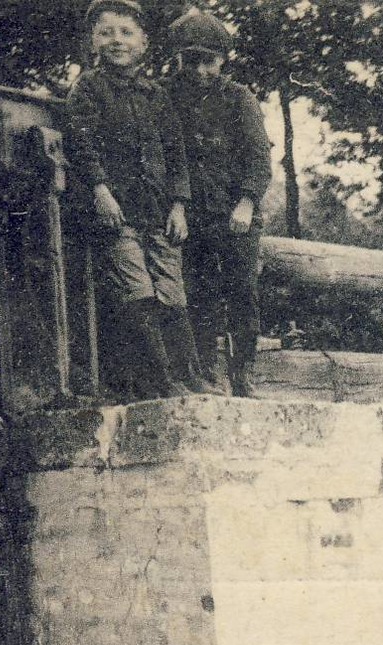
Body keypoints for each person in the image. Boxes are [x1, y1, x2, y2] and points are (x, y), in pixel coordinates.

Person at [65, 0, 201, 400]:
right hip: (117, 211)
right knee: (137, 289)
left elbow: (175, 153)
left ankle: (188, 376)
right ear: (93, 40)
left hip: (158, 210)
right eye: (106, 32)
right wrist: (99, 189)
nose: (116, 41)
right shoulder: (88, 88)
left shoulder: (155, 94)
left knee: (171, 290)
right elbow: (81, 141)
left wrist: (179, 205)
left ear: (143, 43)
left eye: (125, 33)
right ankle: (159, 383)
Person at [166, 7, 271, 397]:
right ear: (177, 59)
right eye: (189, 60)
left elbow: (259, 156)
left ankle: (243, 373)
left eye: (207, 62)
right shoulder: (168, 97)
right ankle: (209, 372)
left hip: (235, 215)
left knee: (242, 292)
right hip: (192, 215)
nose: (198, 71)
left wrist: (246, 201)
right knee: (201, 293)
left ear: (222, 60)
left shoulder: (239, 98)